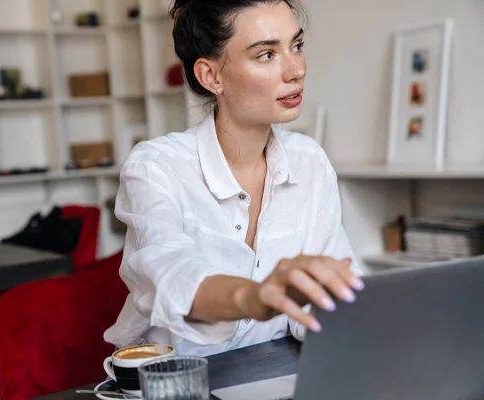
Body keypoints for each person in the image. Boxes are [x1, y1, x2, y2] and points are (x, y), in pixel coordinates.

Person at [104, 0, 364, 357]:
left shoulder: (309, 161)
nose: (296, 70)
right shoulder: (156, 166)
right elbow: (171, 276)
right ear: (211, 76)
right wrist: (253, 296)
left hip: (275, 374)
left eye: (297, 46)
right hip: (174, 381)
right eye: (267, 55)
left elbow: (331, 298)